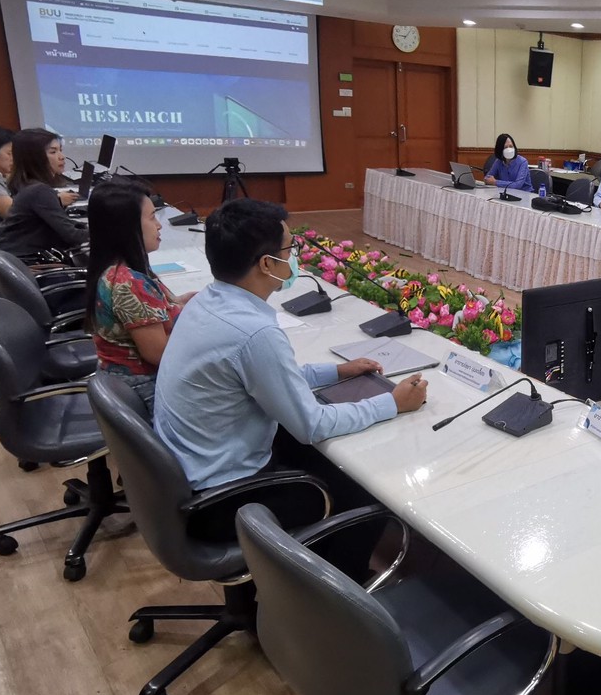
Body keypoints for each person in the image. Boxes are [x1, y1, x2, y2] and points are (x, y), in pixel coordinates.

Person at [154, 198, 429, 492]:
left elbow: (266, 377)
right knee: (365, 476)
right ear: (266, 264)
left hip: (188, 467)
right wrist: (393, 403)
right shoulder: (254, 333)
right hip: (228, 488)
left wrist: (337, 371)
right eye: (289, 250)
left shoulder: (203, 302)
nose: (293, 258)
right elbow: (312, 425)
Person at [85, 182, 192, 413]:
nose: (159, 225)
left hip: (123, 381)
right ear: (126, 226)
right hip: (147, 390)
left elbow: (150, 314)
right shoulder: (130, 283)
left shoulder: (114, 269)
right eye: (152, 218)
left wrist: (179, 303)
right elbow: (159, 355)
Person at [0, 128, 85, 255]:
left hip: (14, 257)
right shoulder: (39, 191)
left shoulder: (26, 184)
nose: (62, 157)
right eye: (53, 152)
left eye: (60, 150)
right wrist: (108, 232)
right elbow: (73, 236)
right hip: (28, 260)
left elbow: (64, 225)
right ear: (35, 157)